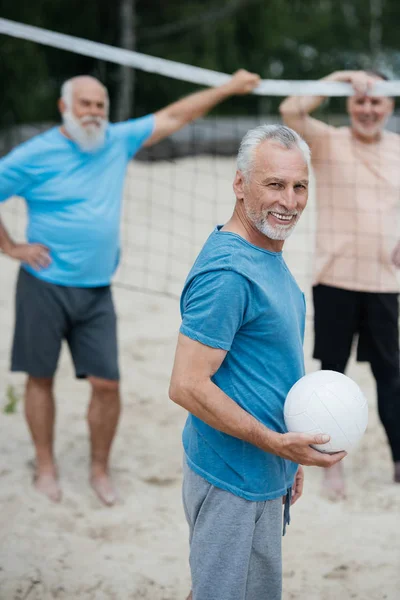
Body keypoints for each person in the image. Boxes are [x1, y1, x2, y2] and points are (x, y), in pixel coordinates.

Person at [0, 69, 261, 505]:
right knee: (40, 378)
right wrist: (11, 247)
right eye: (85, 103)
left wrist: (230, 88)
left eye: (100, 104)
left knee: (107, 384)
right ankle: (46, 467)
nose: (94, 112)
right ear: (65, 107)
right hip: (43, 283)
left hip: (97, 289)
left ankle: (99, 469)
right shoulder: (37, 153)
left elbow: (177, 115)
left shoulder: (116, 141)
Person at [169, 124, 346, 600]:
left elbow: (266, 365)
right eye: (274, 184)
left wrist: (289, 454)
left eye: (299, 185)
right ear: (240, 183)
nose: (289, 200)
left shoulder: (264, 251)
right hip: (232, 476)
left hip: (264, 469)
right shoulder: (229, 272)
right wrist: (274, 443)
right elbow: (186, 385)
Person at [280, 70, 400, 498]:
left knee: (392, 378)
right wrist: (340, 79)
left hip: (385, 284)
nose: (367, 109)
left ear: (389, 106)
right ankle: (331, 468)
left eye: (376, 102)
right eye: (359, 102)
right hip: (334, 281)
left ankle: (398, 464)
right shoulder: (329, 141)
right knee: (329, 379)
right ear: (349, 106)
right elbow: (289, 109)